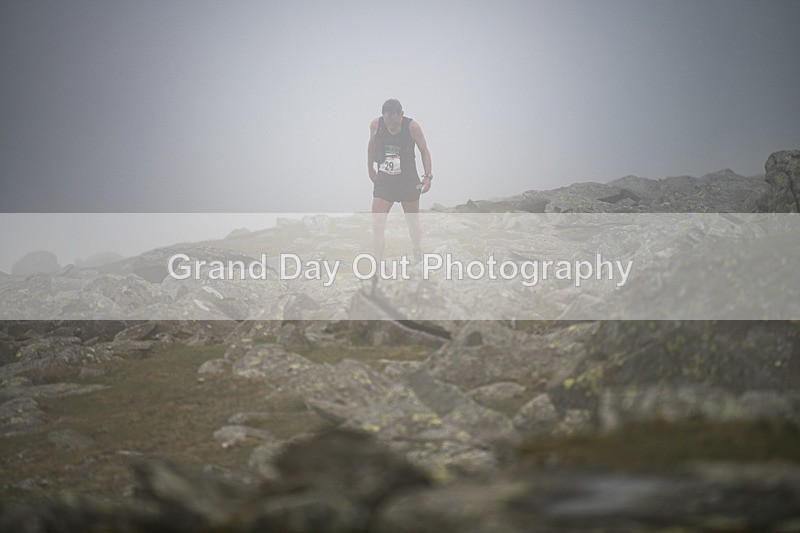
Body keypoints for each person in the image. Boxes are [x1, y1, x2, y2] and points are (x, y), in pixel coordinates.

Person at [367, 99, 433, 263]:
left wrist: (428, 176)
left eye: (395, 122)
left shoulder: (412, 127)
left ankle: (417, 249)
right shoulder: (376, 124)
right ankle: (377, 263)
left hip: (408, 182)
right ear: (383, 117)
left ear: (401, 115)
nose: (391, 126)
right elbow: (371, 146)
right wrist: (370, 168)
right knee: (377, 224)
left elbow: (425, 151)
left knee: (413, 223)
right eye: (388, 122)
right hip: (384, 180)